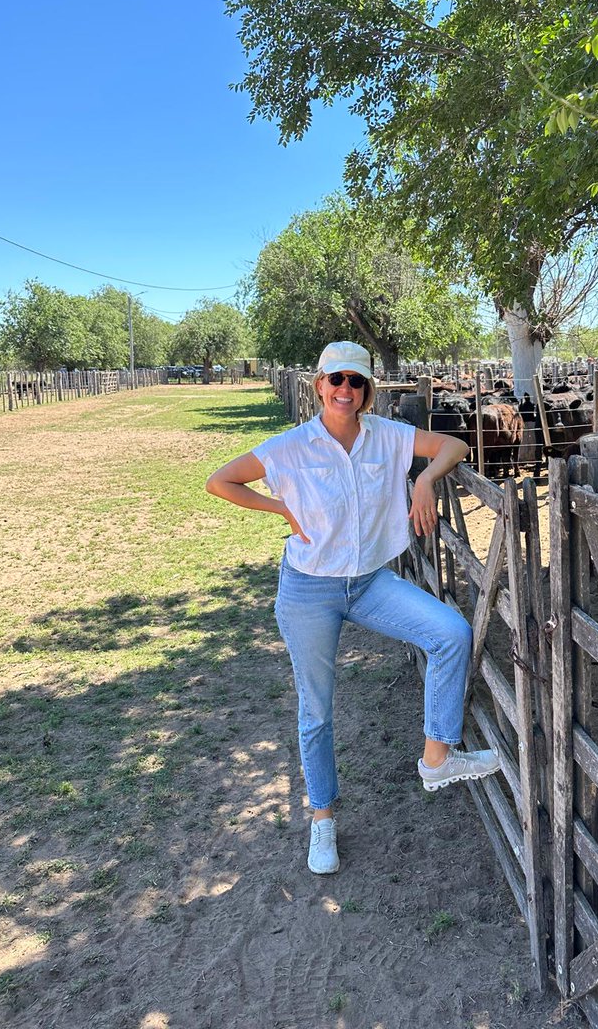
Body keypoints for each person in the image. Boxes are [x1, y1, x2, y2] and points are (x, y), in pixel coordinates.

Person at [205, 341, 500, 875]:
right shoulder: (291, 447)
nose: (346, 390)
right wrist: (280, 507)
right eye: (336, 379)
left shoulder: (388, 437)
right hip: (308, 592)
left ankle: (437, 756)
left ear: (367, 392)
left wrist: (426, 480)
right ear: (319, 385)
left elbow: (454, 444)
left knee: (450, 633)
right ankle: (322, 820)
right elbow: (219, 481)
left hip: (367, 583)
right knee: (316, 710)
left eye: (357, 382)